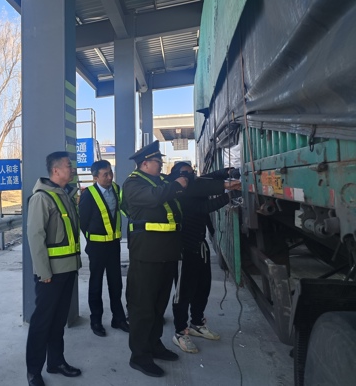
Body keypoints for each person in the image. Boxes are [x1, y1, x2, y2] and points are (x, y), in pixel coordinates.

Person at [121, 141, 188, 378]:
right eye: (158, 162)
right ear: (145, 164)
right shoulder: (133, 184)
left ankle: (154, 344)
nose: (161, 165)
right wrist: (176, 185)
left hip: (166, 254)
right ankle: (139, 356)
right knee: (143, 307)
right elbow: (153, 198)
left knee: (159, 305)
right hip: (146, 255)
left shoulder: (160, 182)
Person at [168, 162, 241, 354]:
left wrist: (227, 172)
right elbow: (206, 206)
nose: (190, 177)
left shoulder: (194, 184)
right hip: (184, 249)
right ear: (176, 176)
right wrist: (230, 193)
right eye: (186, 174)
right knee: (183, 293)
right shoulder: (179, 191)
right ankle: (180, 331)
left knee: (202, 288)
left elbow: (208, 179)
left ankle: (197, 323)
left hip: (200, 246)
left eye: (192, 173)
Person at [25, 151, 83, 386]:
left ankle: (56, 362)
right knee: (42, 323)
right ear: (56, 170)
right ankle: (33, 371)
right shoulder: (42, 198)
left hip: (68, 269)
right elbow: (35, 237)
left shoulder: (64, 195)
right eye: (68, 166)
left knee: (58, 321)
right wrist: (44, 272)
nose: (72, 169)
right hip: (51, 274)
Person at [79, 159, 129, 337]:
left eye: (110, 173)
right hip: (97, 247)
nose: (109, 177)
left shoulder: (116, 189)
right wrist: (91, 240)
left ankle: (118, 318)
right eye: (105, 174)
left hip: (114, 245)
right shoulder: (88, 194)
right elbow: (83, 222)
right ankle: (96, 320)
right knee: (96, 284)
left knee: (116, 283)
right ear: (95, 177)